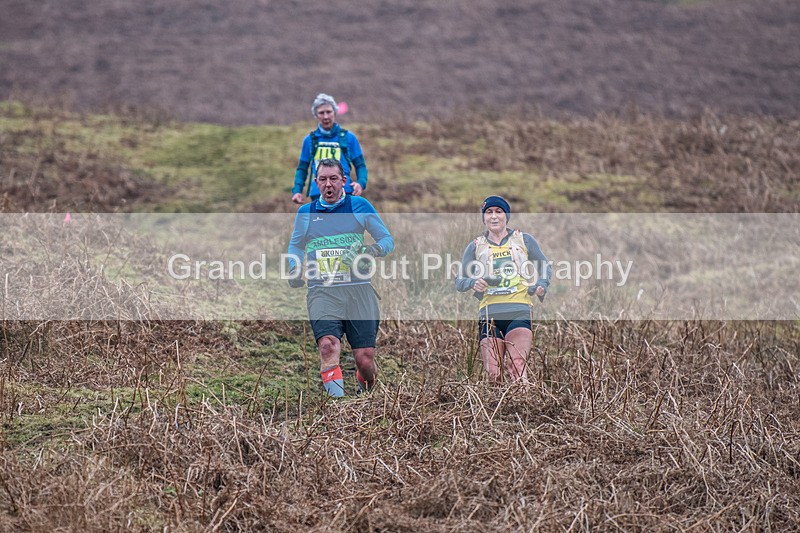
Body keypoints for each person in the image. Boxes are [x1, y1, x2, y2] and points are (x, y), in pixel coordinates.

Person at [286, 158, 394, 397]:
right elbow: (295, 247)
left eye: (334, 179)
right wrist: (293, 267)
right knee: (327, 346)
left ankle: (366, 395)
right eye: (323, 180)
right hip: (322, 290)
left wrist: (371, 251)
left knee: (364, 360)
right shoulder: (307, 212)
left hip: (359, 290)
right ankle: (337, 408)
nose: (328, 185)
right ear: (316, 183)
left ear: (344, 181)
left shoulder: (360, 206)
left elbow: (387, 240)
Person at [455, 196, 551, 383]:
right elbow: (459, 280)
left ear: (506, 216)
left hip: (519, 309)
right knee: (493, 374)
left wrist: (542, 284)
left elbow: (545, 266)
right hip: (489, 313)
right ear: (484, 219)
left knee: (517, 365)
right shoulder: (475, 246)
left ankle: (526, 408)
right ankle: (498, 412)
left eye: (498, 212)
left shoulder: (523, 240)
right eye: (489, 212)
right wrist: (473, 282)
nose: (494, 216)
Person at [291, 93, 368, 204]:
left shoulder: (349, 137)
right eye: (321, 113)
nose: (325, 116)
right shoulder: (309, 140)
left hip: (345, 193)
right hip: (318, 194)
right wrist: (297, 191)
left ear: (335, 113)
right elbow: (302, 169)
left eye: (329, 112)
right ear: (316, 115)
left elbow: (360, 165)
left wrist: (361, 183)